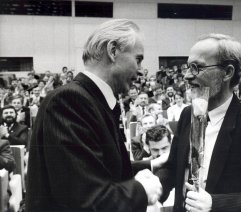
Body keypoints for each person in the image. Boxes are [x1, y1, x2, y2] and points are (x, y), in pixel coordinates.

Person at [26, 19, 162, 212]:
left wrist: (152, 164)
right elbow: (85, 199)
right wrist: (141, 190)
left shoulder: (91, 100)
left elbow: (99, 168)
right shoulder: (69, 101)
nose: (140, 71)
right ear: (113, 51)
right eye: (138, 59)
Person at [156, 33, 241, 212]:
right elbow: (173, 168)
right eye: (188, 67)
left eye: (196, 67)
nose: (186, 76)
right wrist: (152, 189)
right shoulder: (188, 114)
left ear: (227, 72)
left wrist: (215, 204)